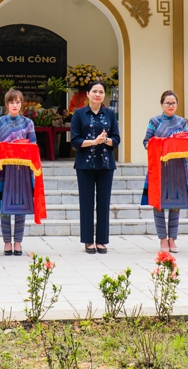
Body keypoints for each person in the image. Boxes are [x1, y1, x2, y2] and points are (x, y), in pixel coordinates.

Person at [143, 90, 188, 253]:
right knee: (159, 203)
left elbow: (187, 142)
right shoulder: (154, 121)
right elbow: (146, 142)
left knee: (175, 204)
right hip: (159, 167)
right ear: (162, 104)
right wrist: (162, 143)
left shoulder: (181, 122)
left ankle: (173, 238)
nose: (171, 106)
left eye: (173, 103)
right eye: (168, 103)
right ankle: (162, 239)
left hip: (177, 167)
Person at [71, 80, 120, 254]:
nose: (97, 94)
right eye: (94, 91)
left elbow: (116, 138)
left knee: (103, 202)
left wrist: (105, 140)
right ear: (88, 94)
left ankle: (101, 241)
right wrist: (94, 141)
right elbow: (74, 140)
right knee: (86, 202)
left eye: (101, 92)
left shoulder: (110, 114)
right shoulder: (79, 114)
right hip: (84, 164)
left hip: (106, 164)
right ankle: (88, 241)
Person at [0, 89, 39, 256]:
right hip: (3, 171)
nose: (15, 105)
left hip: (23, 172)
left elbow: (34, 147)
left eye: (18, 102)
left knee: (20, 207)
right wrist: (6, 147)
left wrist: (21, 146)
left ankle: (18, 242)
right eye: (12, 102)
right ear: (7, 104)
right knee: (5, 207)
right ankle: (6, 242)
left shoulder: (28, 123)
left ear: (21, 104)